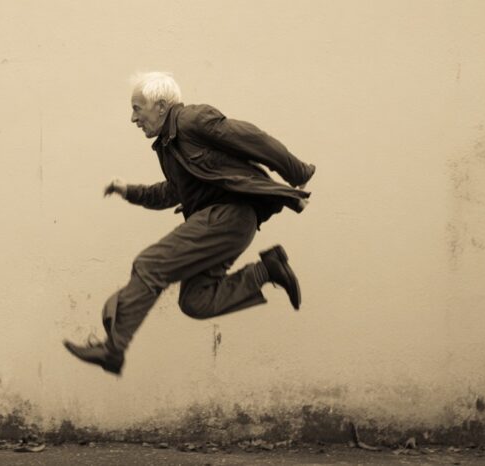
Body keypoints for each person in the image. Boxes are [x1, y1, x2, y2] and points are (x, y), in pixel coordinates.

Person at [63, 72, 316, 375]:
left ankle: (112, 350)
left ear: (160, 106)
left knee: (150, 264)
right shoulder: (169, 147)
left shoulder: (192, 119)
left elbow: (252, 138)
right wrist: (128, 191)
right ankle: (268, 269)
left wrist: (296, 172)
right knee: (196, 301)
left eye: (136, 108)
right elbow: (171, 192)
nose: (133, 118)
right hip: (222, 224)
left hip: (229, 215)